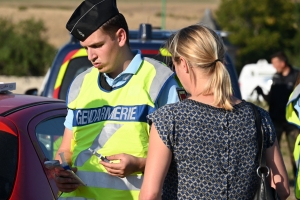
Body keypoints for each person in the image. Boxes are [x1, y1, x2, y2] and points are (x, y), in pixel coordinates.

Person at [139, 24, 290, 199]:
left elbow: (150, 194)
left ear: (184, 64)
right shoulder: (259, 117)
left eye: (175, 64)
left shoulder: (169, 119)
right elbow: (283, 189)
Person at [53, 0, 181, 199]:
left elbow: (181, 154)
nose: (90, 56)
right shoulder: (80, 83)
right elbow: (65, 149)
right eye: (86, 48)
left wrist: (139, 164)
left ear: (120, 37)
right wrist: (61, 170)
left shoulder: (159, 81)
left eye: (97, 45)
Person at [254, 51, 300, 175]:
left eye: (275, 63)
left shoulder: (297, 76)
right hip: (276, 120)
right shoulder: (276, 77)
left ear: (283, 62)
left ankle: (297, 180)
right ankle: (274, 179)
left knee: (296, 154)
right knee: (273, 153)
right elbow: (271, 99)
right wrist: (261, 92)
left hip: (292, 122)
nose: (273, 66)